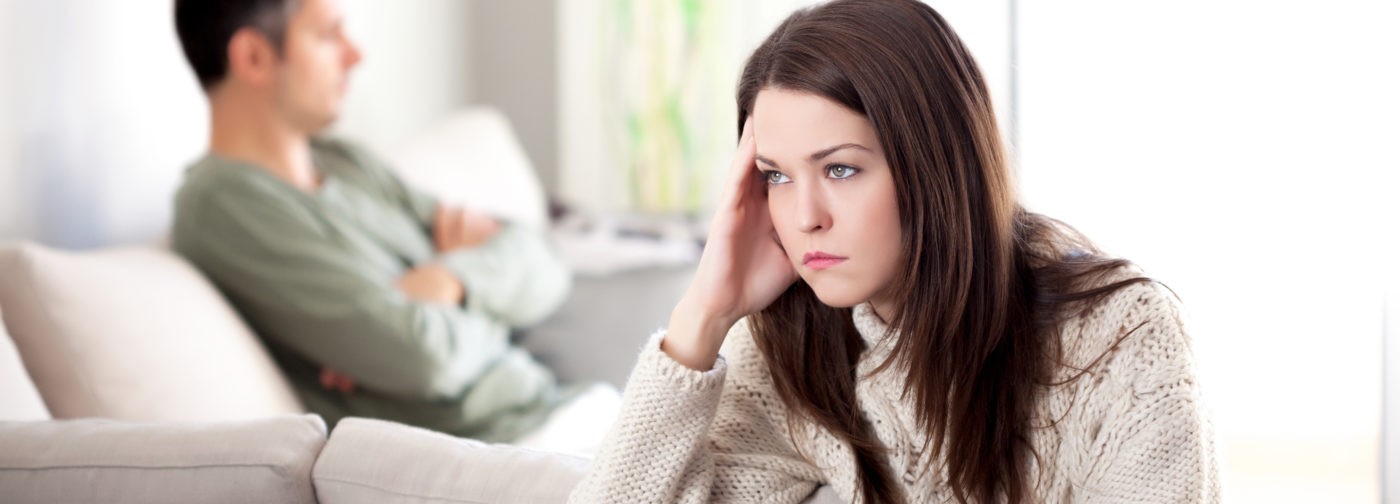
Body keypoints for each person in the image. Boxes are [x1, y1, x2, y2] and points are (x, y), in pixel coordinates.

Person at [570, 0, 1220, 502]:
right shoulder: (787, 347)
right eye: (776, 176)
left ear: (936, 166)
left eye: (841, 169)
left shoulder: (1120, 335)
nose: (805, 218)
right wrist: (702, 316)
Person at [169, 0, 610, 450]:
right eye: (329, 35)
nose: (355, 55)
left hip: (567, 409)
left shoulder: (346, 162)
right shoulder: (223, 206)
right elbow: (424, 359)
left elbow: (545, 262)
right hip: (502, 448)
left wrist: (451, 281)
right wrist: (493, 305)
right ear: (253, 58)